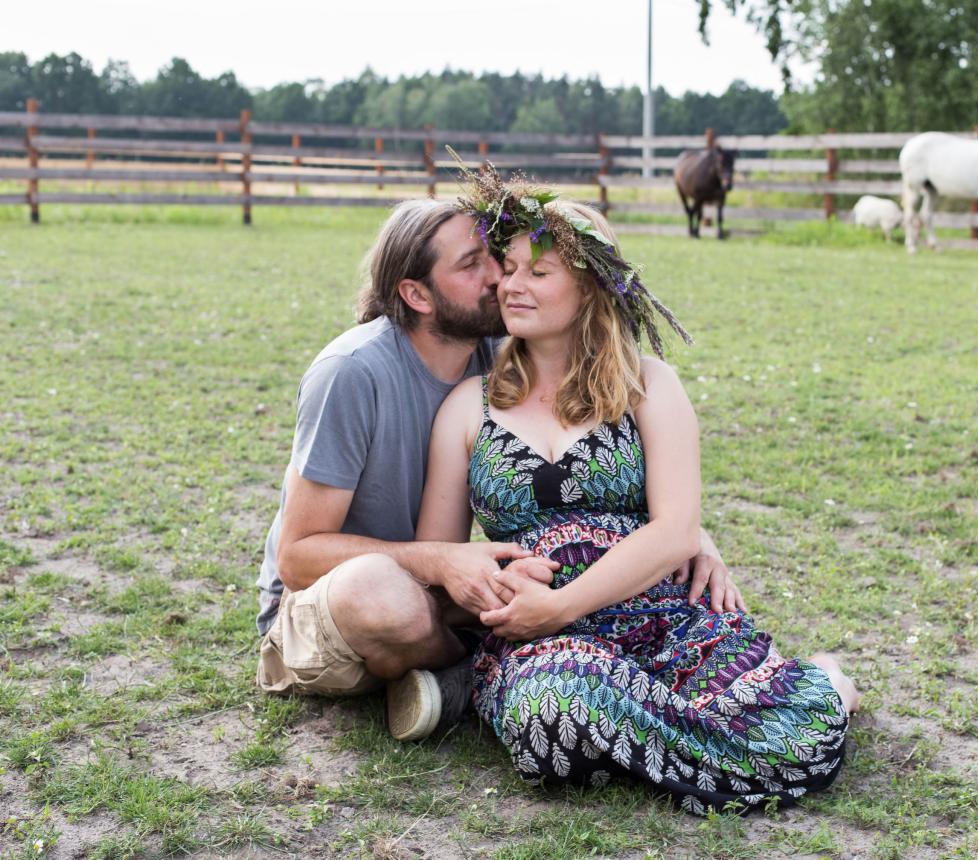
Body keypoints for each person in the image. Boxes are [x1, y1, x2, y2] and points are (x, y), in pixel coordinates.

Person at [417, 173, 858, 814]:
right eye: (507, 269)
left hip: (659, 615)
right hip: (540, 641)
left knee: (798, 736)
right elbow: (442, 557)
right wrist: (511, 602)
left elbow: (675, 530)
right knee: (554, 713)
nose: (512, 285)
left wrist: (564, 602)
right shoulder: (468, 405)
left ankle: (821, 685)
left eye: (539, 274)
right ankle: (678, 733)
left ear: (591, 285)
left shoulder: (649, 386)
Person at [254, 197, 743, 743]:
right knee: (379, 594)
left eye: (498, 259)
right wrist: (442, 560)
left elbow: (561, 260)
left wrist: (690, 535)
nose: (499, 280)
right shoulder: (351, 374)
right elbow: (297, 558)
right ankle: (470, 677)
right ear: (416, 295)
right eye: (473, 265)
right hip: (332, 603)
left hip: (448, 596)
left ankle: (489, 668)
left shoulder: (500, 352)